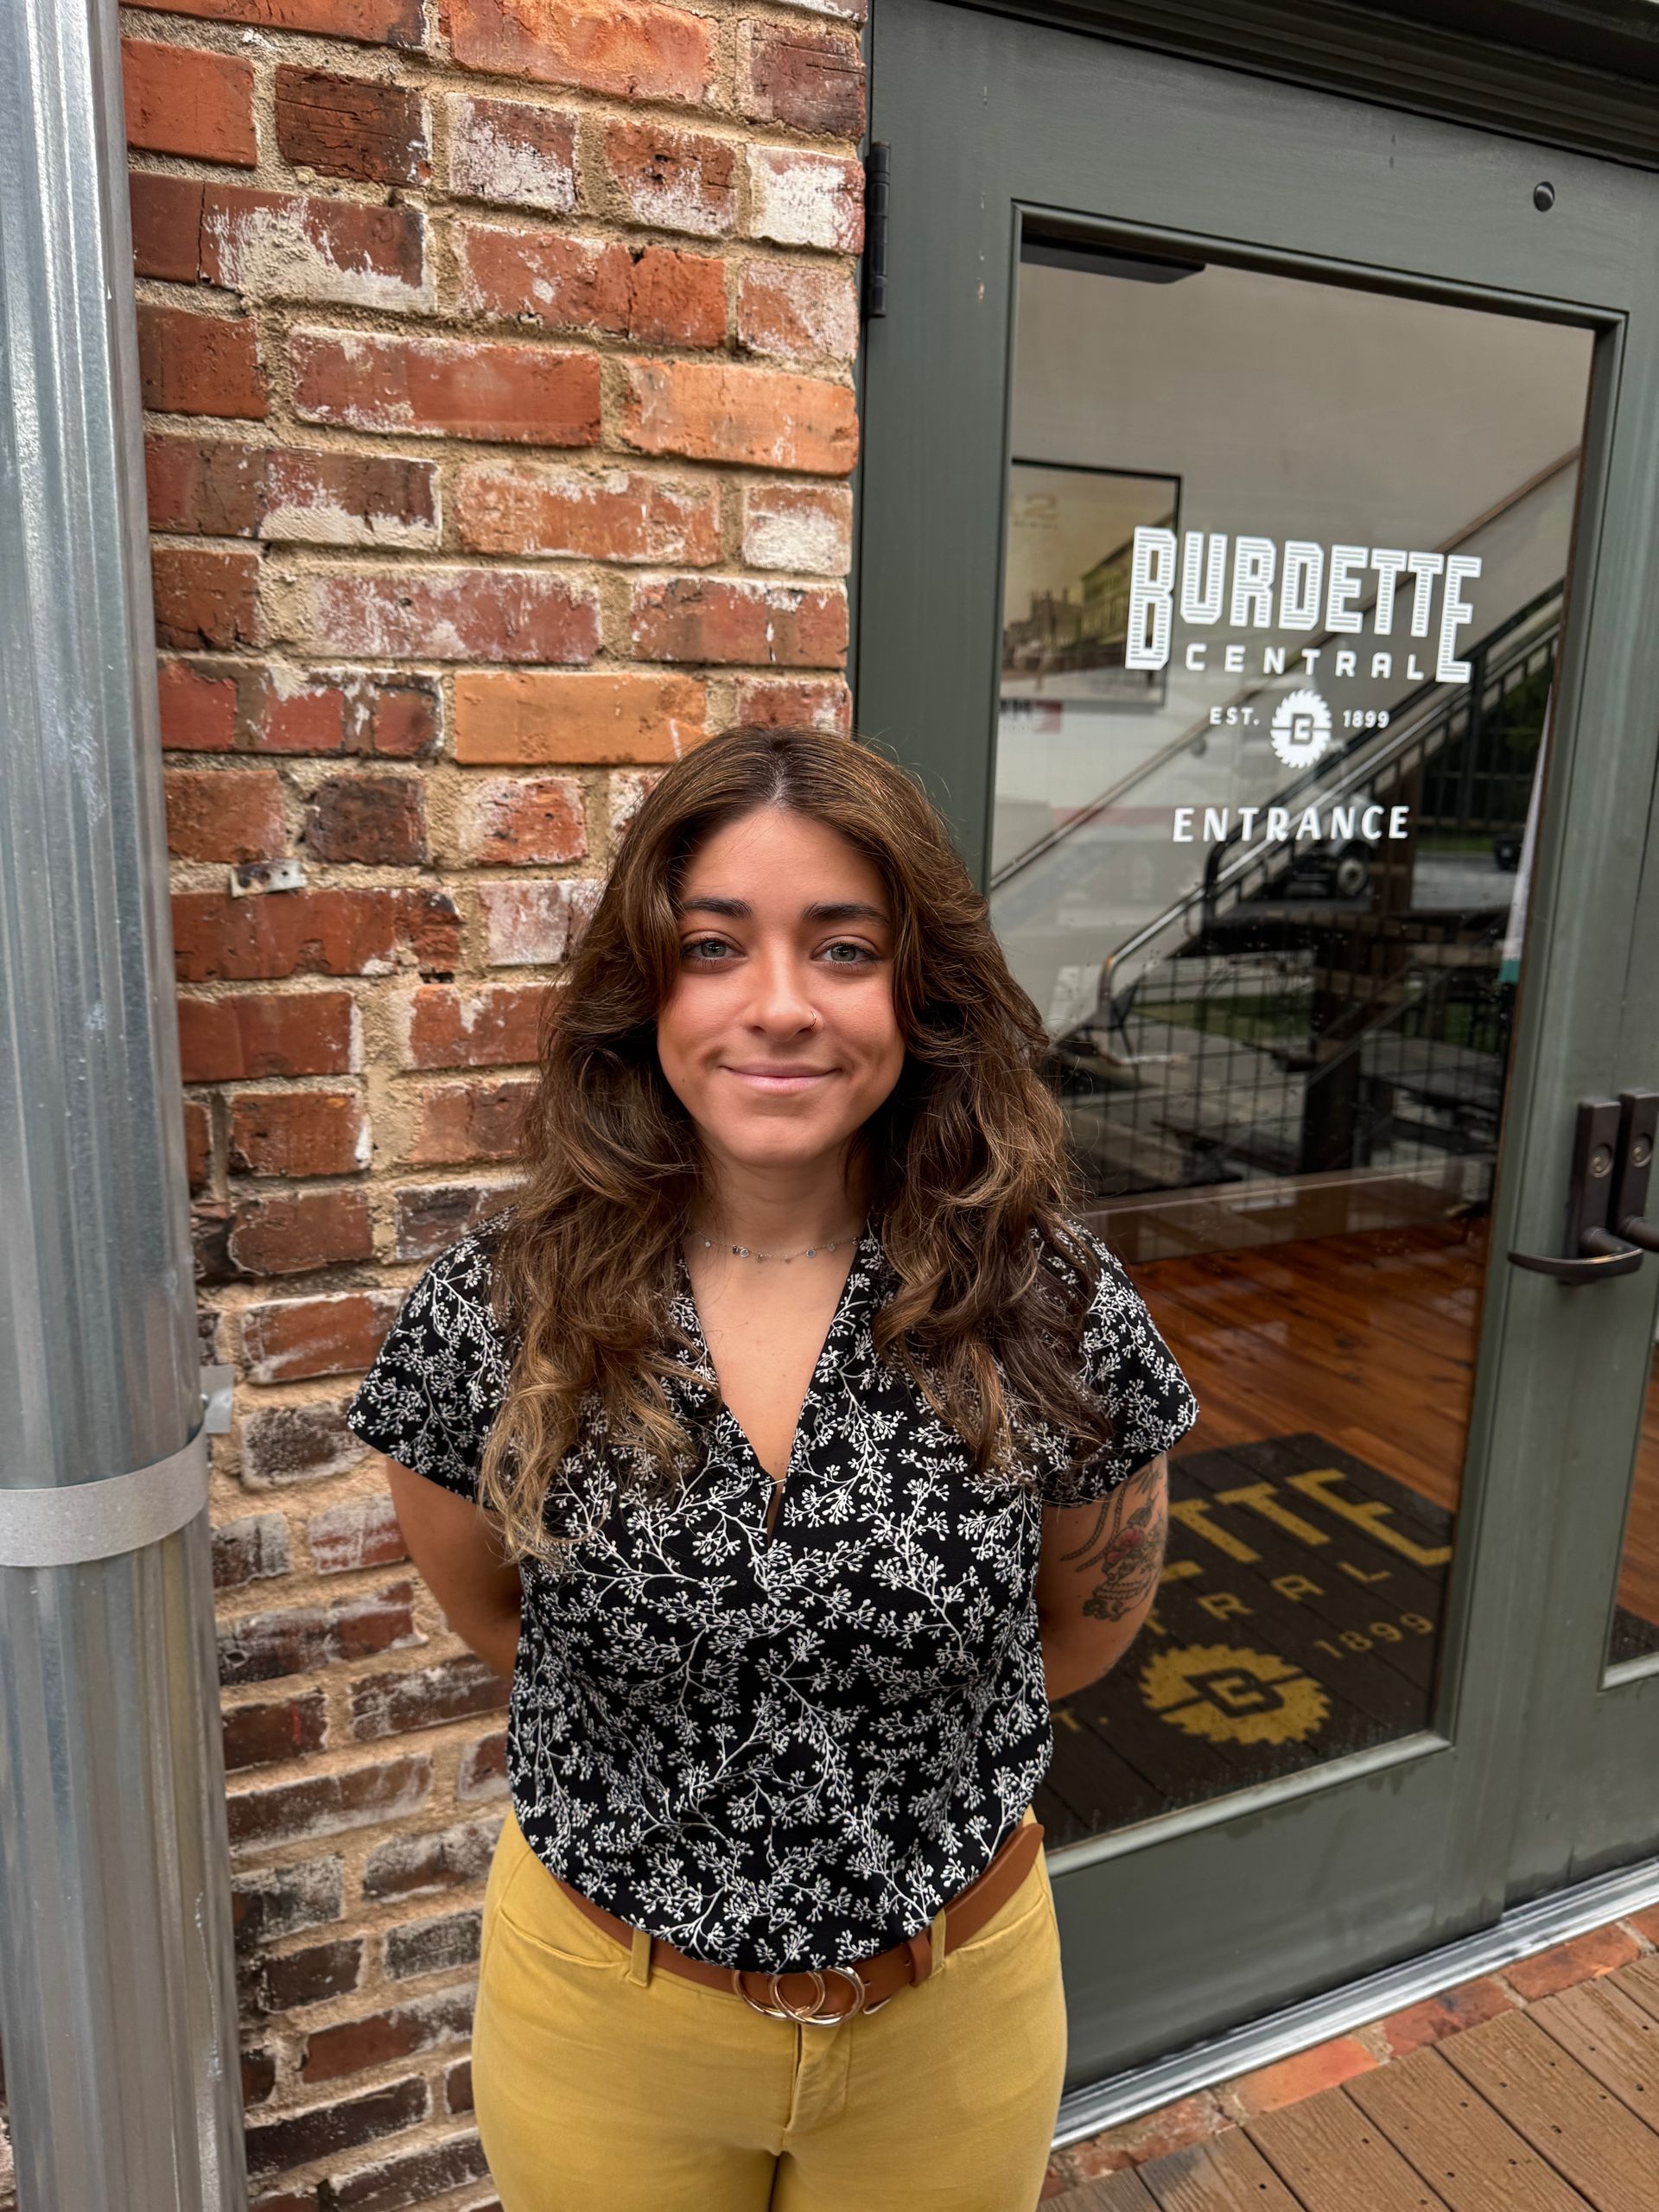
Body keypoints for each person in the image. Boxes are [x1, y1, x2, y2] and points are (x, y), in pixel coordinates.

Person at [344, 728, 1198, 2212]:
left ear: (917, 991)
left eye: (845, 948)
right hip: (607, 2015)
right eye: (716, 947)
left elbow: (1084, 1630)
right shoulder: (499, 1312)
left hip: (951, 2013)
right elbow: (492, 1614)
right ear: (645, 989)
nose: (782, 1007)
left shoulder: (1047, 1305)